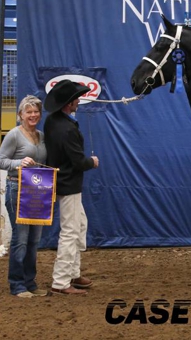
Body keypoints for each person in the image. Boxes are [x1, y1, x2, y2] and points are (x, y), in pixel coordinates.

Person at [43, 80, 99, 296]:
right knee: (70, 231)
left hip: (62, 182)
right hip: (68, 185)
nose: (78, 101)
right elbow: (78, 162)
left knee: (80, 225)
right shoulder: (67, 129)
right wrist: (92, 162)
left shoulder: (53, 121)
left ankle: (73, 273)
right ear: (68, 103)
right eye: (76, 98)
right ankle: (61, 281)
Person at [0, 95, 48, 298]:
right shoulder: (13, 135)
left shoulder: (42, 136)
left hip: (37, 191)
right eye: (29, 112)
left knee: (34, 240)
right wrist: (19, 164)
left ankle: (31, 282)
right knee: (20, 239)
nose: (33, 115)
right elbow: (1, 160)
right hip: (17, 188)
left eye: (36, 111)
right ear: (20, 115)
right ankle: (17, 284)